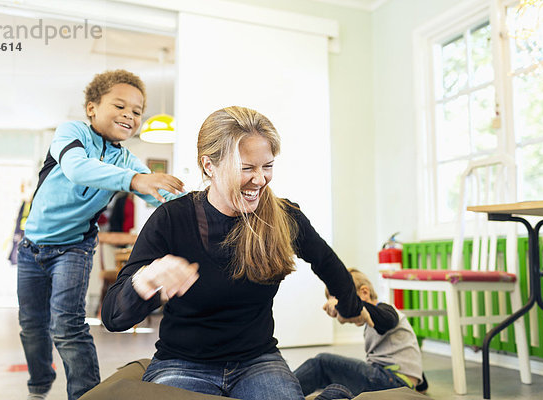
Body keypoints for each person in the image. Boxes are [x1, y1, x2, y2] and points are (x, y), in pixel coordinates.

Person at [101, 106, 364, 400]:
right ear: (209, 166)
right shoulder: (171, 219)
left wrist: (351, 307)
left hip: (258, 362)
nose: (260, 180)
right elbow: (113, 318)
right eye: (247, 168)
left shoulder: (283, 216)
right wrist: (144, 281)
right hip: (182, 363)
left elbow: (325, 260)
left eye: (267, 166)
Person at [17, 69, 185, 400]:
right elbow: (77, 168)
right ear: (92, 107)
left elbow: (162, 197)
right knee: (32, 325)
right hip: (32, 246)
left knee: (67, 327)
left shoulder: (127, 159)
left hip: (75, 248)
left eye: (137, 111)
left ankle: (86, 396)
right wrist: (135, 180)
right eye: (120, 106)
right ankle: (38, 385)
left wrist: (207, 200)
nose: (130, 115)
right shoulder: (71, 132)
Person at [293, 268, 426, 398]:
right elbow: (410, 356)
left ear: (364, 292)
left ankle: (281, 394)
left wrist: (348, 305)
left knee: (322, 364)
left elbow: (387, 320)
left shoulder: (386, 311)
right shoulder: (374, 321)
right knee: (335, 378)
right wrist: (420, 386)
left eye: (343, 304)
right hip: (395, 380)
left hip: (392, 380)